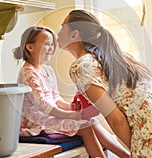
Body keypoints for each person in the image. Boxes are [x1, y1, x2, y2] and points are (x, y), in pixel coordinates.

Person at [57, 9, 152, 157]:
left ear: (75, 34)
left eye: (62, 28)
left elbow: (117, 120)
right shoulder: (111, 57)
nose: (58, 33)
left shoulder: (81, 67)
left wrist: (139, 151)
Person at [13, 26, 131, 158]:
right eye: (47, 44)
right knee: (86, 127)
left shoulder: (48, 71)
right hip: (37, 121)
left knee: (91, 120)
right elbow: (42, 105)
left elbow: (55, 98)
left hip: (51, 114)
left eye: (52, 44)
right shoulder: (28, 72)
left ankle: (127, 155)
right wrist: (70, 115)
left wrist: (72, 108)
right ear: (30, 47)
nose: (51, 48)